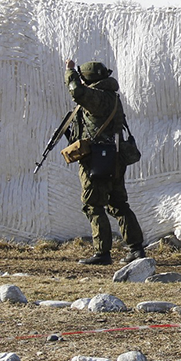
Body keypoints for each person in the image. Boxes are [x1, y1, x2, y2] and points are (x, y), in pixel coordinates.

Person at [64, 59, 146, 265]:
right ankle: (136, 249)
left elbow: (77, 92)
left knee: (93, 205)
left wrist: (70, 72)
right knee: (119, 204)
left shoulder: (97, 98)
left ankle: (102, 253)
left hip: (97, 159)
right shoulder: (111, 96)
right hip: (115, 157)